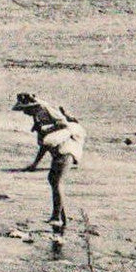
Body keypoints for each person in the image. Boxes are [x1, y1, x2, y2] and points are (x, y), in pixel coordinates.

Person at [12, 92, 85, 230]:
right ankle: (61, 218)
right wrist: (35, 164)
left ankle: (56, 217)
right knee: (53, 179)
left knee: (56, 180)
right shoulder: (37, 115)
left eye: (25, 109)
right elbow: (44, 144)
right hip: (58, 149)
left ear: (32, 106)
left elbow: (62, 126)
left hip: (67, 148)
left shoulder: (45, 110)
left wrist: (35, 163)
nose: (24, 113)